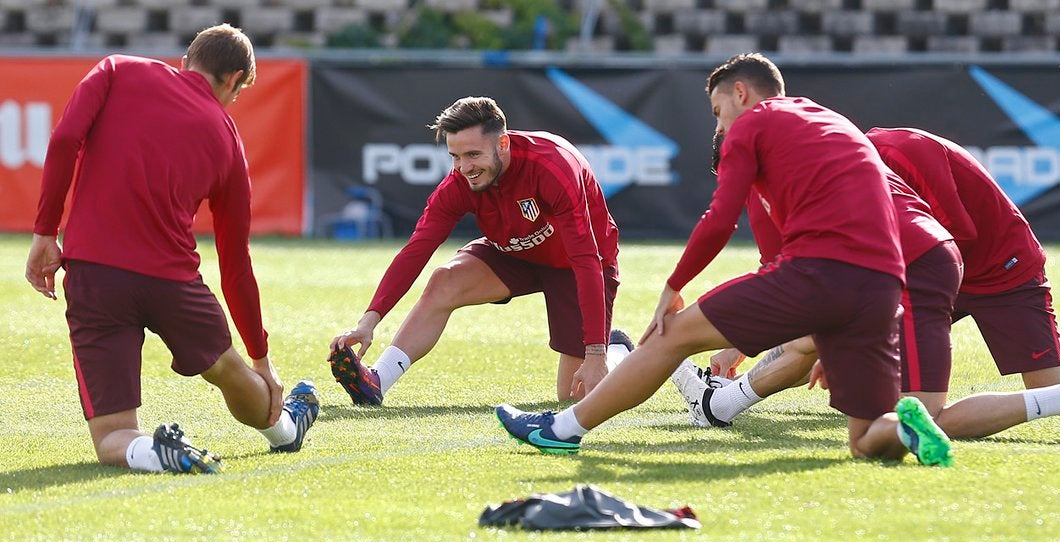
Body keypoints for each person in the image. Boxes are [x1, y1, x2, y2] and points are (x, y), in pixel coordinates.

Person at [496, 53, 954, 466]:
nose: (718, 128)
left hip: (820, 272)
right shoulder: (830, 120)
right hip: (883, 286)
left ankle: (561, 430)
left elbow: (719, 220)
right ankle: (905, 427)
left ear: (741, 93)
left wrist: (672, 286)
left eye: (718, 112)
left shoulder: (753, 123)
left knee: (669, 333)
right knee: (866, 438)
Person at [672, 127, 1060, 440]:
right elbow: (792, 282)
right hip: (933, 267)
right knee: (817, 335)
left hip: (993, 264)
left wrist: (854, 327)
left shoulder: (890, 150)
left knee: (929, 415)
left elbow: (952, 237)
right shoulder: (802, 183)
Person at [24, 24, 318, 474]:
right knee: (230, 371)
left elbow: (65, 140)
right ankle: (285, 429)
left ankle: (157, 451)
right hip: (174, 284)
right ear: (235, 79)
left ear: (187, 59)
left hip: (96, 276)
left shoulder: (118, 69)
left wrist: (46, 233)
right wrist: (261, 357)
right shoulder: (229, 139)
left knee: (113, 436)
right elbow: (236, 263)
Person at [328, 96, 624, 405]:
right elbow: (417, 249)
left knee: (575, 395)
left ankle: (616, 351)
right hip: (514, 253)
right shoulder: (460, 182)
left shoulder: (553, 167)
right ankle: (377, 381)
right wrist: (369, 321)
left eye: (472, 154)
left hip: (576, 264)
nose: (463, 167)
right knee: (446, 279)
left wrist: (595, 351)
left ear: (503, 144)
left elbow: (586, 259)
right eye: (455, 156)